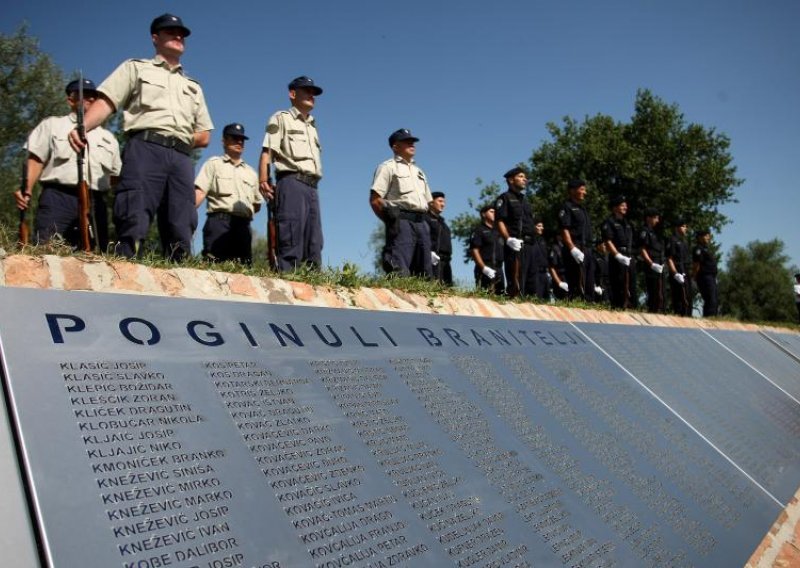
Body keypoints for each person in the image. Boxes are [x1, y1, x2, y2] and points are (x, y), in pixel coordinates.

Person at [68, 13, 213, 261]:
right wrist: (84, 127)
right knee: (134, 215)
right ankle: (126, 268)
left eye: (182, 34)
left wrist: (179, 137)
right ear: (155, 38)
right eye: (171, 32)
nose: (178, 36)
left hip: (180, 156)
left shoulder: (193, 86)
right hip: (146, 148)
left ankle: (178, 275)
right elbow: (107, 101)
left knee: (181, 223)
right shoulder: (136, 68)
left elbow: (204, 134)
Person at [15, 79, 121, 251]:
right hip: (58, 198)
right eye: (85, 96)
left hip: (95, 202)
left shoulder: (109, 138)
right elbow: (36, 159)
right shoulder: (52, 125)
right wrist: (26, 189)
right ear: (70, 100)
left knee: (96, 255)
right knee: (47, 250)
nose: (91, 100)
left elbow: (116, 177)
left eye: (94, 97)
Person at [258, 76, 324, 272]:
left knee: (315, 243)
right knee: (290, 240)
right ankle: (287, 281)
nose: (311, 95)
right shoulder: (281, 118)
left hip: (312, 187)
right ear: (292, 94)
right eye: (306, 91)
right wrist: (263, 180)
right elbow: (267, 151)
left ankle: (314, 287)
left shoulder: (312, 126)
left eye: (313, 93)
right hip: (291, 183)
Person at [369, 128, 433, 277]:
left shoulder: (419, 172)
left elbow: (428, 202)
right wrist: (391, 222)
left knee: (425, 274)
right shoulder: (387, 167)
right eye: (406, 142)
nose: (412, 144)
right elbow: (375, 200)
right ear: (395, 146)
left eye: (413, 142)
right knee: (399, 270)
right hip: (402, 222)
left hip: (422, 223)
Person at [194, 123, 261, 265]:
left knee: (243, 272)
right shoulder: (213, 164)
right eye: (235, 138)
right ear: (224, 141)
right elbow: (200, 192)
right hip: (219, 223)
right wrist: (186, 215)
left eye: (242, 139)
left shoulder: (251, 173)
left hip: (243, 227)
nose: (239, 142)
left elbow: (257, 204)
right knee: (213, 267)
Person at [495, 167, 536, 298]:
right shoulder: (504, 198)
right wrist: (508, 239)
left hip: (529, 245)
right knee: (516, 284)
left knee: (531, 285)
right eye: (521, 177)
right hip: (515, 244)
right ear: (511, 180)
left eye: (525, 177)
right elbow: (500, 221)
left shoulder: (525, 201)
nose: (525, 179)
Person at [558, 178, 595, 301]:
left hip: (587, 249)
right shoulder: (566, 207)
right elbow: (564, 229)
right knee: (576, 284)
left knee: (588, 282)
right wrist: (572, 248)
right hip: (575, 249)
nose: (585, 192)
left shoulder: (583, 209)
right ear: (573, 191)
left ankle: (588, 305)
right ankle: (577, 303)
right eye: (582, 189)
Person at [601, 195, 636, 309]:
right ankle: (618, 307)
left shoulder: (628, 223)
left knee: (631, 286)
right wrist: (617, 255)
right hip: (618, 257)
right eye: (622, 205)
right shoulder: (609, 222)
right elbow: (608, 241)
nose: (625, 207)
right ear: (615, 208)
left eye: (626, 205)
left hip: (629, 256)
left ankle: (631, 307)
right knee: (618, 285)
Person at [469, 204, 504, 294]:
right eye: (492, 212)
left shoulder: (499, 231)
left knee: (500, 299)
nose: (494, 214)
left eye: (495, 212)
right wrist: (484, 268)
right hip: (485, 268)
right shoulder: (479, 230)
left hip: (499, 269)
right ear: (483, 214)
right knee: (485, 297)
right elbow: (474, 250)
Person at [639, 208, 665, 313]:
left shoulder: (656, 232)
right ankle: (653, 311)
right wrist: (651, 264)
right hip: (652, 263)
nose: (657, 220)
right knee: (653, 291)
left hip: (660, 263)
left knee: (661, 291)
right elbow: (642, 249)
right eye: (655, 218)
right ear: (648, 218)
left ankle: (661, 310)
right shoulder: (644, 231)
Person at [666, 218, 692, 316]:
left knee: (688, 298)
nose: (686, 228)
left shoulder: (684, 242)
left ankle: (687, 317)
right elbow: (669, 259)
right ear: (677, 228)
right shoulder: (672, 240)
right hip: (678, 272)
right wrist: (675, 273)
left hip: (685, 271)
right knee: (679, 299)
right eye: (683, 226)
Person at [426, 191, 453, 286]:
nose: (443, 204)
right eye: (440, 201)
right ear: (431, 202)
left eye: (444, 202)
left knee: (447, 289)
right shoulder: (425, 218)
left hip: (445, 262)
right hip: (432, 260)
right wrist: (429, 251)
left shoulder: (443, 222)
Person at [693, 229, 718, 317]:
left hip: (711, 277)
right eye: (706, 235)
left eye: (708, 235)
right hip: (704, 277)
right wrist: (695, 277)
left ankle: (713, 317)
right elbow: (697, 264)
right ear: (700, 237)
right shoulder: (698, 249)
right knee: (710, 298)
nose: (708, 237)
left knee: (714, 298)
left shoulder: (706, 249)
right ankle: (709, 317)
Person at [527, 217, 550, 299]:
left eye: (542, 226)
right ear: (533, 226)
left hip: (544, 273)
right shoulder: (530, 241)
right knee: (537, 298)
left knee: (546, 299)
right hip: (535, 274)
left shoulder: (543, 240)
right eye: (539, 226)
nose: (542, 228)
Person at [549, 233, 569, 301]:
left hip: (567, 277)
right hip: (559, 277)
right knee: (560, 301)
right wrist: (559, 282)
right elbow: (552, 267)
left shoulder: (567, 247)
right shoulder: (555, 248)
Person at [593, 239, 610, 304]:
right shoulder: (594, 257)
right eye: (604, 245)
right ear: (598, 246)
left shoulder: (607, 257)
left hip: (608, 285)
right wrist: (594, 286)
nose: (605, 246)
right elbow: (592, 273)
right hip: (599, 285)